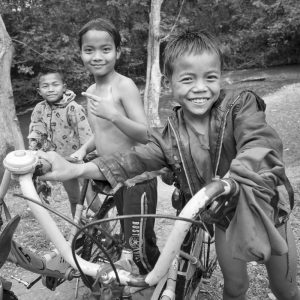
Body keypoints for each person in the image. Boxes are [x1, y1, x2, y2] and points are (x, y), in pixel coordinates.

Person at [38, 30, 300, 300]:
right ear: (168, 82)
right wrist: (77, 169)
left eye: (210, 77)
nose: (200, 87)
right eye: (187, 79)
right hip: (224, 219)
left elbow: (259, 140)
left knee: (285, 289)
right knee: (235, 287)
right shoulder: (170, 136)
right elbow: (132, 160)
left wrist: (234, 176)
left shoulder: (239, 105)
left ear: (221, 76)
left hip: (267, 209)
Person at [70, 18, 160, 274]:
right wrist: (84, 150)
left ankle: (156, 278)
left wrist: (114, 115)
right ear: (81, 53)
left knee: (139, 241)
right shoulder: (90, 90)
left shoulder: (124, 86)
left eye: (105, 49)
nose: (97, 56)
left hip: (136, 177)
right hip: (114, 177)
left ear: (117, 52)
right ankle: (142, 274)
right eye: (89, 50)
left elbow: (146, 135)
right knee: (130, 235)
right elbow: (100, 133)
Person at [28, 67, 93, 217]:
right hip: (60, 162)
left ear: (64, 87)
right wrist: (35, 153)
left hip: (80, 162)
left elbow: (87, 136)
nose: (50, 89)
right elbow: (36, 134)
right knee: (74, 199)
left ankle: (105, 232)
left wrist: (87, 157)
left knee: (91, 201)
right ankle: (80, 233)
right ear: (39, 91)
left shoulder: (73, 108)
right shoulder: (39, 109)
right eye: (45, 86)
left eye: (55, 85)